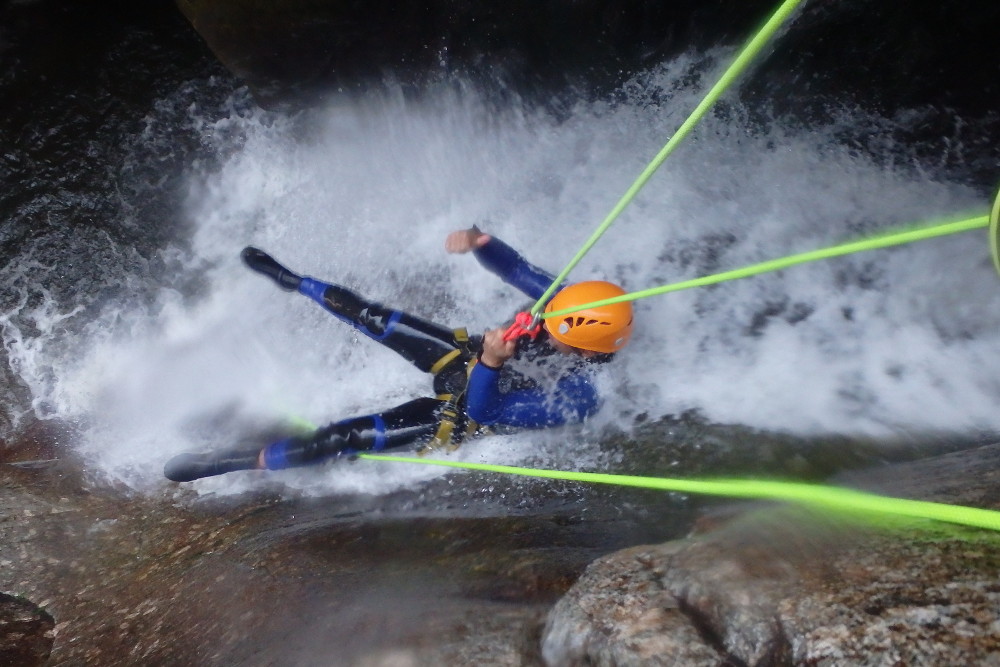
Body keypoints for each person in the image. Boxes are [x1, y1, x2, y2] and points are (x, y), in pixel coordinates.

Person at [163, 227, 633, 482]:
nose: (543, 318)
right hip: (471, 361)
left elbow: (484, 408)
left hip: (465, 410)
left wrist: (493, 360)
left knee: (344, 438)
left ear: (579, 346)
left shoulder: (582, 396)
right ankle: (293, 281)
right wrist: (480, 243)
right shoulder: (571, 303)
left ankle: (233, 462)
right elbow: (514, 267)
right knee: (372, 315)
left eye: (552, 327)